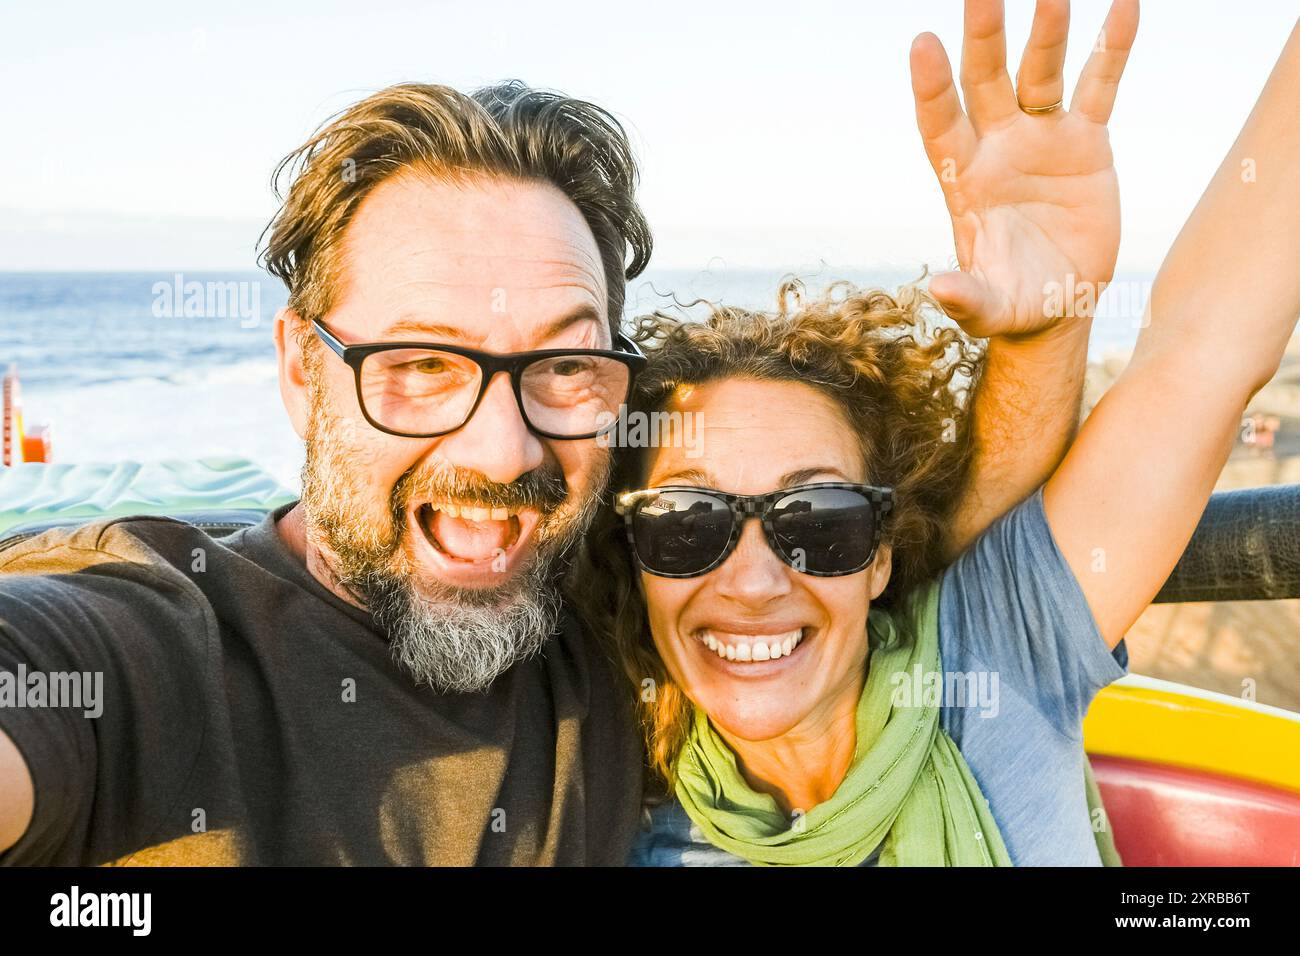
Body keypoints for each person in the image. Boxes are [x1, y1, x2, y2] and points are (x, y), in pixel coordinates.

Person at [0, 0, 1125, 865]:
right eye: (422, 365)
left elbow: (903, 516)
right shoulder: (133, 653)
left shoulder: (609, 586)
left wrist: (1043, 328)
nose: (502, 451)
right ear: (303, 369)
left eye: (563, 367)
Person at [574, 13, 1300, 866]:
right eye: (687, 522)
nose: (756, 577)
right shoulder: (601, 806)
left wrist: (1060, 304)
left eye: (819, 519)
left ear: (881, 555)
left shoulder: (991, 661)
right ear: (637, 560)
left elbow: (1205, 350)